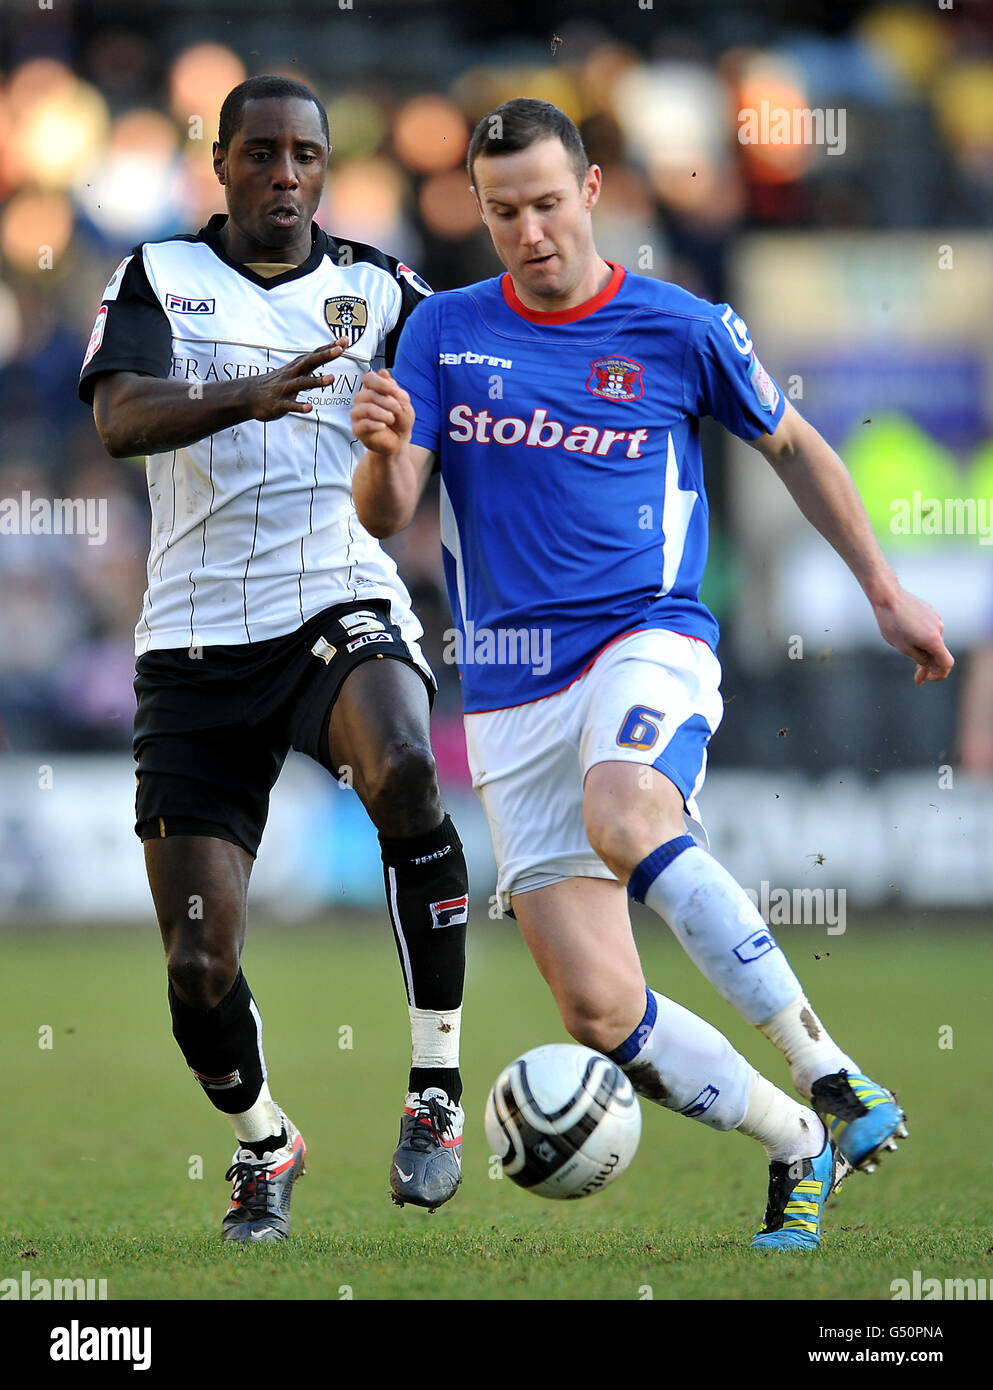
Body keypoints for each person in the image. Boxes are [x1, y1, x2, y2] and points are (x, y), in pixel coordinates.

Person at [350, 98, 954, 1250]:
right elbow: (391, 511)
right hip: (512, 692)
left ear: (589, 193)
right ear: (479, 214)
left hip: (647, 637)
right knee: (597, 1007)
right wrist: (380, 459)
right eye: (501, 211)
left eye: (544, 203)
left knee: (627, 808)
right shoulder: (442, 332)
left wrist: (883, 586)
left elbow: (793, 444)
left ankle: (831, 1069)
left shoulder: (680, 327)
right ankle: (796, 1139)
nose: (528, 230)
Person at [78, 76, 469, 1240]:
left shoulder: (382, 291)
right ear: (221, 163)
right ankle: (266, 1141)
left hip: (333, 597)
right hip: (194, 642)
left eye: (306, 154)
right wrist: (249, 393)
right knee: (199, 963)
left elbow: (457, 410)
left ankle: (436, 1087)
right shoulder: (158, 276)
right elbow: (118, 419)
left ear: (326, 165)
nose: (286, 175)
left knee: (402, 765)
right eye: (261, 154)